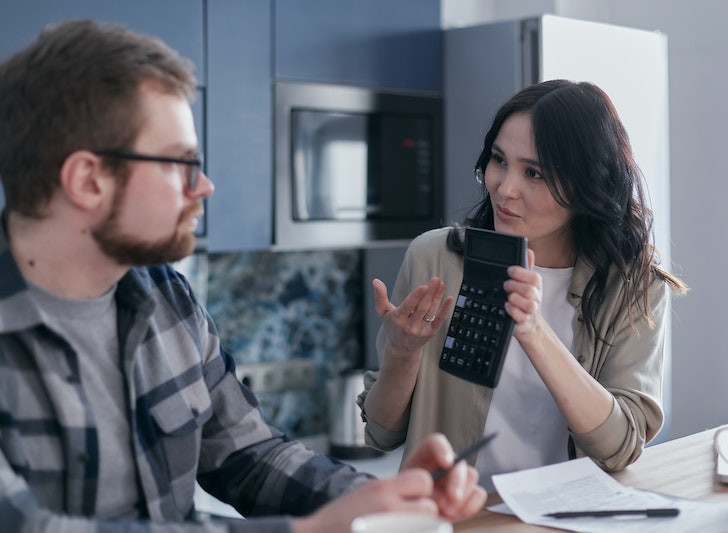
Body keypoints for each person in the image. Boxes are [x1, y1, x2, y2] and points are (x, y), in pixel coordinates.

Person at [0, 19, 486, 532]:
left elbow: (248, 454)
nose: (204, 186)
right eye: (182, 164)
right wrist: (308, 530)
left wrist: (375, 498)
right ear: (88, 180)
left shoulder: (165, 296)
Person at [358, 80, 688, 490]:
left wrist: (532, 328)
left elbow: (619, 447)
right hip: (456, 520)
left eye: (534, 172)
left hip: (561, 520)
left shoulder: (635, 285)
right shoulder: (434, 258)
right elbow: (382, 433)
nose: (504, 187)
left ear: (588, 184)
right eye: (499, 160)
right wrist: (402, 355)